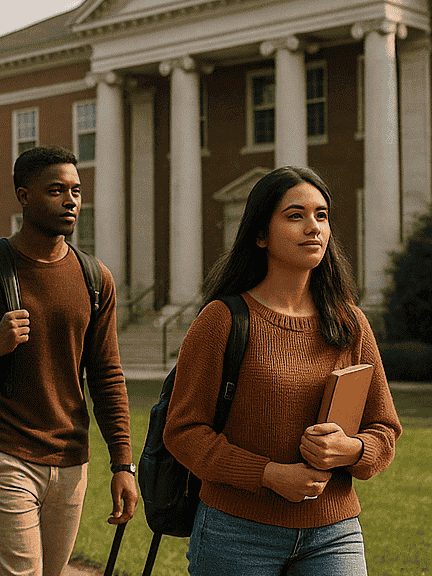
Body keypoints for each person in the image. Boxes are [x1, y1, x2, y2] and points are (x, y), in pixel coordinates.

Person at [163, 166, 402, 575]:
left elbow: (384, 428)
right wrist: (269, 474)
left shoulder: (350, 323)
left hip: (335, 531)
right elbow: (183, 432)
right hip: (236, 533)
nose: (314, 228)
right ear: (260, 235)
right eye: (296, 216)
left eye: (321, 215)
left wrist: (351, 450)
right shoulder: (222, 320)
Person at [0, 145, 138, 576]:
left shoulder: (95, 278)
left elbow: (107, 376)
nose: (71, 200)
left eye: (76, 190)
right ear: (24, 195)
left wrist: (122, 463)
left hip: (71, 457)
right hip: (5, 449)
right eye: (56, 190)